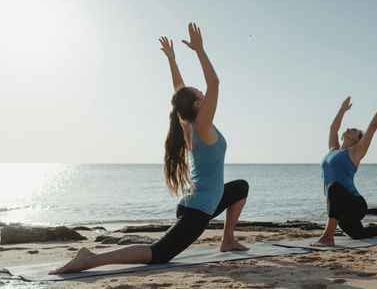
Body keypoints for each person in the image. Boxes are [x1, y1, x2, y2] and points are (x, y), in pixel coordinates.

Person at [50, 23, 249, 274]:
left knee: (240, 187)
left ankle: (227, 239)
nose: (202, 89)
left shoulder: (187, 123)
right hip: (198, 210)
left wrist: (173, 60)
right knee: (159, 254)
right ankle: (91, 258)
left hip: (196, 200)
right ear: (199, 104)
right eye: (199, 92)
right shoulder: (201, 126)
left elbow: (179, 93)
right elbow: (215, 83)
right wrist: (199, 50)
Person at [311, 92, 377, 247]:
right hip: (340, 207)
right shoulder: (332, 149)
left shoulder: (355, 153)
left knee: (334, 187)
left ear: (358, 139)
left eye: (354, 129)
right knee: (358, 234)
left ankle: (328, 237)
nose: (348, 128)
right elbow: (333, 129)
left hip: (355, 205)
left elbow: (373, 127)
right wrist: (342, 110)